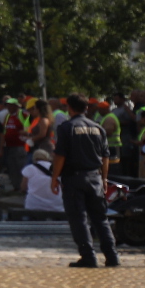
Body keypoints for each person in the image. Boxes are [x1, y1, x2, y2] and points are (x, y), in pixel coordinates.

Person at [53, 94, 120, 268]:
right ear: (86, 108)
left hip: (74, 178)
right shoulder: (98, 128)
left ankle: (88, 256)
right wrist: (104, 179)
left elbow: (60, 155)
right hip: (95, 177)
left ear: (70, 108)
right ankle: (112, 256)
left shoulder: (66, 128)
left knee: (79, 219)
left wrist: (55, 178)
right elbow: (106, 157)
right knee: (101, 219)